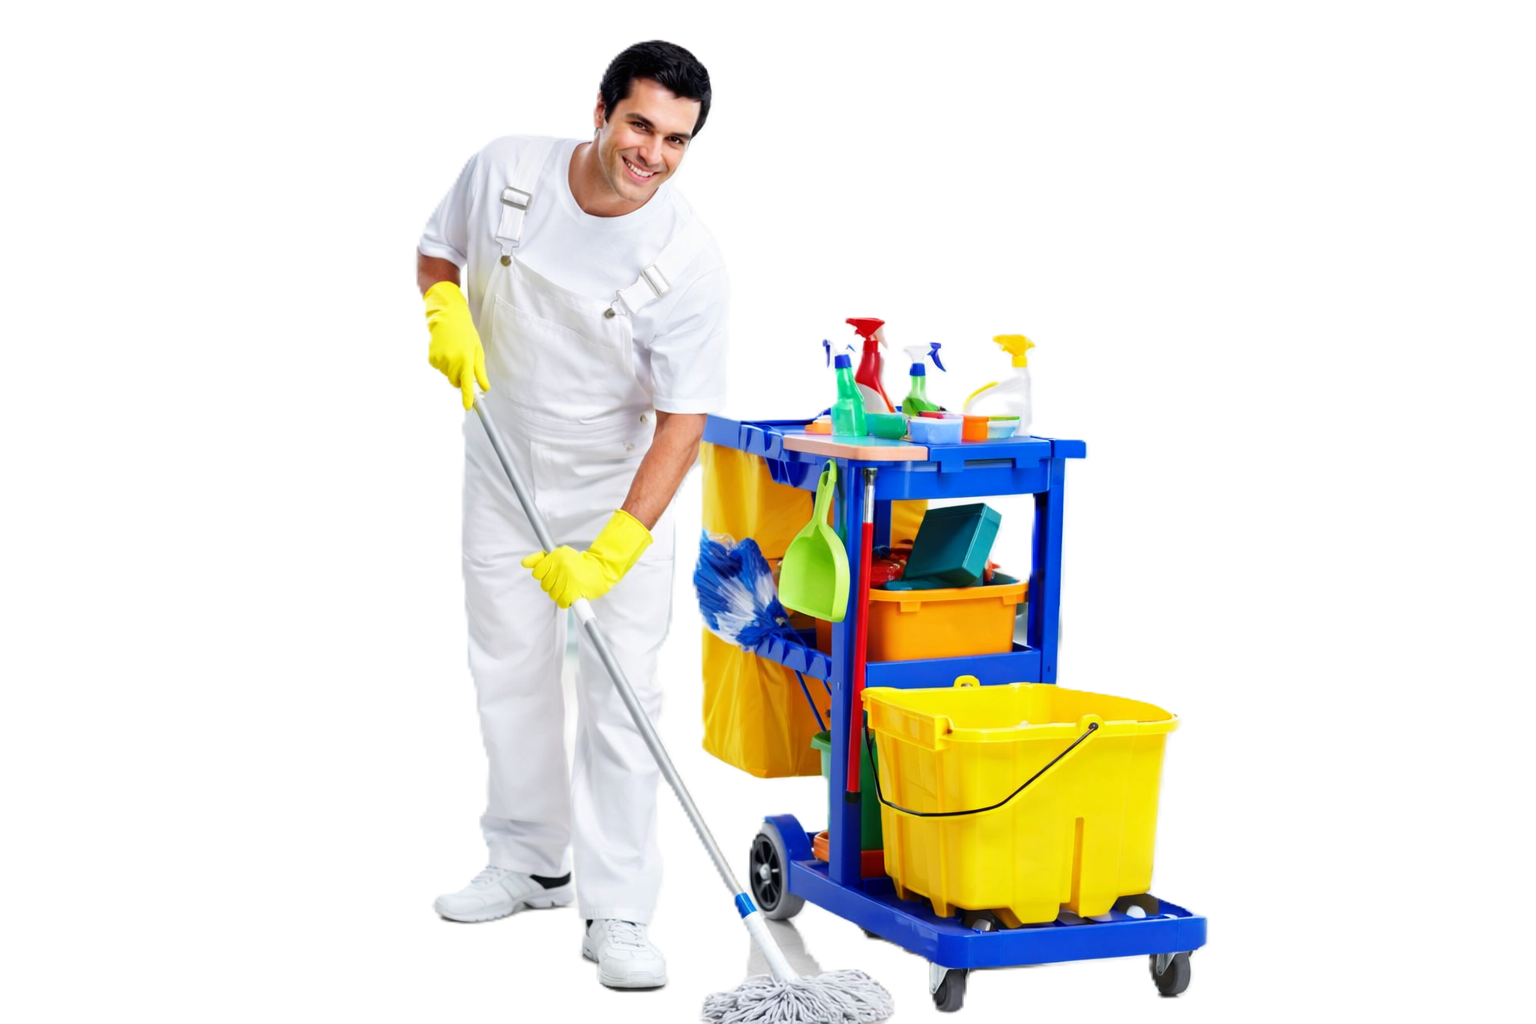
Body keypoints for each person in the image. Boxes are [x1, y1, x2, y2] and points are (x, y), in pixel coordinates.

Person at [418, 40, 730, 988]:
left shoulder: (688, 263)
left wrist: (616, 546)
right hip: (501, 460)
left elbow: (683, 422)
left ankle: (622, 914)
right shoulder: (508, 166)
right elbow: (438, 254)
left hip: (612, 485)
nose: (654, 154)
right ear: (598, 111)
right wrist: (444, 312)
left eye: (678, 141)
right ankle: (526, 866)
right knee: (505, 668)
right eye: (640, 125)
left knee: (620, 699)